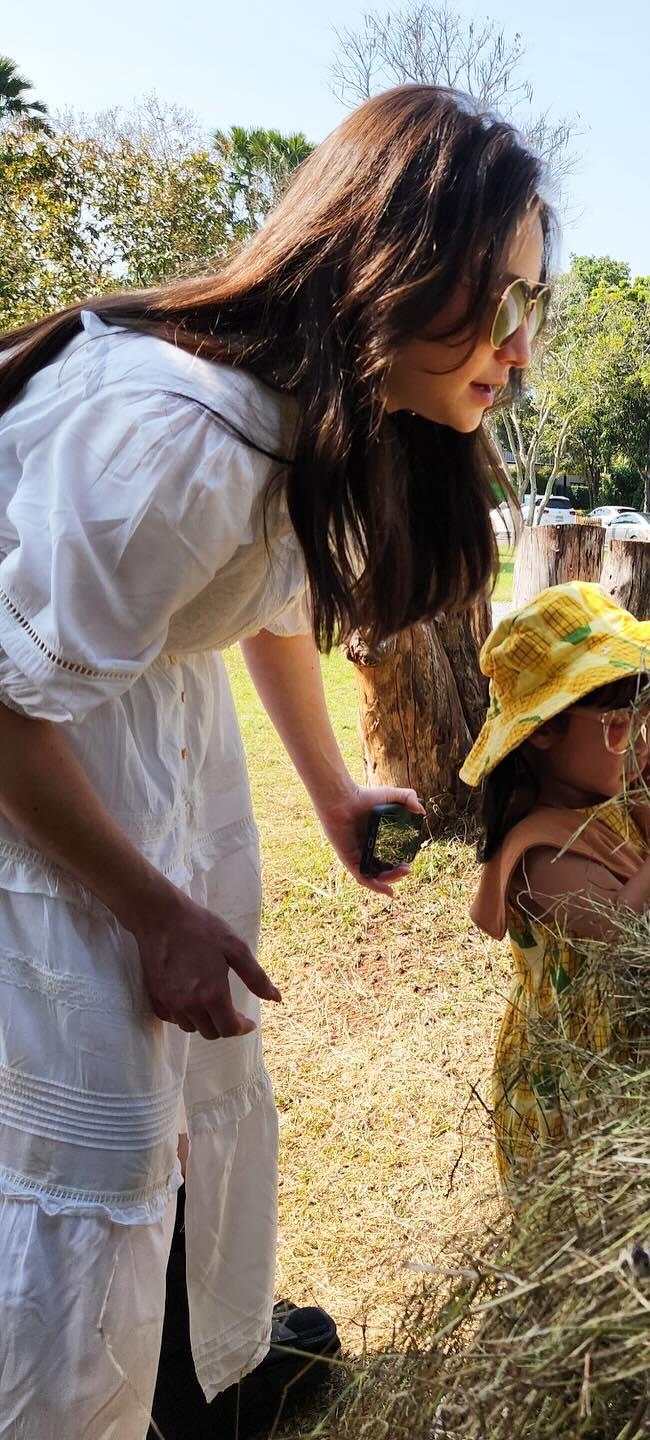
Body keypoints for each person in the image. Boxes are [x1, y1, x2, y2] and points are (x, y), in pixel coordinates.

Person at [0, 86, 550, 1439]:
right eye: (496, 300)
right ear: (393, 260)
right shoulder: (174, 437)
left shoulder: (298, 411)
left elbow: (264, 597)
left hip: (130, 762)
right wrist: (151, 910)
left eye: (533, 304)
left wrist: (328, 788)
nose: (517, 349)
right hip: (40, 799)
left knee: (180, 1121)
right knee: (80, 1156)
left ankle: (175, 1391)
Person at [464, 582, 650, 1187]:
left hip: (644, 1059)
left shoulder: (615, 787)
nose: (646, 739)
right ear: (544, 730)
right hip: (580, 1087)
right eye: (619, 726)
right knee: (591, 1223)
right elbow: (625, 941)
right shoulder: (542, 852)